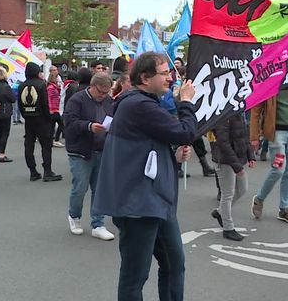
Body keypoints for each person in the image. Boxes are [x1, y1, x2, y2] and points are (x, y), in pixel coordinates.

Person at [93, 51, 196, 301]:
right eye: (164, 73)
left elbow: (146, 148)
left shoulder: (143, 103)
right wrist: (186, 102)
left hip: (155, 200)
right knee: (134, 276)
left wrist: (173, 156)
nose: (170, 78)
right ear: (144, 78)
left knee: (174, 264)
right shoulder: (138, 104)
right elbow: (185, 131)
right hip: (138, 205)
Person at [64, 73, 115, 241]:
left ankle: (98, 223)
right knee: (80, 187)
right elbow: (69, 123)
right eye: (100, 91)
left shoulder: (108, 101)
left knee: (99, 188)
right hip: (80, 151)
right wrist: (88, 126)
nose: (103, 95)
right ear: (92, 86)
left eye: (106, 92)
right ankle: (74, 216)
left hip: (102, 148)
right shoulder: (77, 99)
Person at [250, 84, 288, 224]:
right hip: (277, 135)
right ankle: (259, 199)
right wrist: (254, 137)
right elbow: (256, 111)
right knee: (278, 169)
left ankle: (283, 209)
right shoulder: (269, 82)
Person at [211, 113, 256, 241]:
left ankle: (220, 212)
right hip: (224, 160)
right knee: (228, 194)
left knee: (242, 189)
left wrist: (250, 155)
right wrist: (237, 167)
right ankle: (228, 228)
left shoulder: (239, 112)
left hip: (237, 158)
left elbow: (244, 136)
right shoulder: (223, 114)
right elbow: (223, 142)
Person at [18, 62, 63, 182]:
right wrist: (49, 117)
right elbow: (44, 103)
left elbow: (19, 104)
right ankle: (47, 171)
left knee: (29, 144)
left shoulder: (22, 85)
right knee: (46, 146)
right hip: (41, 119)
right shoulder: (41, 85)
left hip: (29, 118)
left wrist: (25, 115)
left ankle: (33, 171)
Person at [47, 73, 64, 148]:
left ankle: (51, 140)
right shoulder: (51, 87)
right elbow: (49, 98)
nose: (57, 79)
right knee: (61, 124)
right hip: (53, 109)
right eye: (56, 78)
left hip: (55, 108)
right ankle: (55, 140)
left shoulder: (54, 87)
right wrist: (50, 108)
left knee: (52, 125)